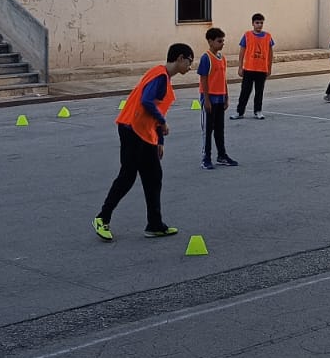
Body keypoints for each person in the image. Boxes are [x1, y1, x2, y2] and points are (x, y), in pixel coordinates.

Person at [94, 43, 195, 241]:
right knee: (127, 176)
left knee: (154, 176)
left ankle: (154, 224)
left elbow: (156, 108)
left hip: (145, 132)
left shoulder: (163, 77)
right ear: (180, 58)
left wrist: (159, 140)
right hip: (131, 129)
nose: (190, 67)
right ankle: (102, 217)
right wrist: (163, 122)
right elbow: (147, 101)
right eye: (189, 62)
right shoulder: (160, 76)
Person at [197, 27, 238, 169]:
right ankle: (206, 158)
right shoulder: (206, 58)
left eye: (223, 41)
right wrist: (206, 99)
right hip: (210, 98)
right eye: (219, 41)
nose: (222, 43)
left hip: (220, 98)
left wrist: (226, 96)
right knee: (207, 130)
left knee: (220, 129)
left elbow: (223, 78)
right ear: (210, 41)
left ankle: (222, 155)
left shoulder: (222, 58)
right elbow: (203, 79)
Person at [233, 13, 274, 120]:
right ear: (253, 23)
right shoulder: (247, 35)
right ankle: (240, 112)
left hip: (262, 69)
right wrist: (240, 67)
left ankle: (258, 111)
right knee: (245, 91)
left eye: (261, 23)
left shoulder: (268, 36)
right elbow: (242, 52)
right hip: (249, 68)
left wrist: (269, 67)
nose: (259, 25)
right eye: (257, 23)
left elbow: (270, 53)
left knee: (259, 92)